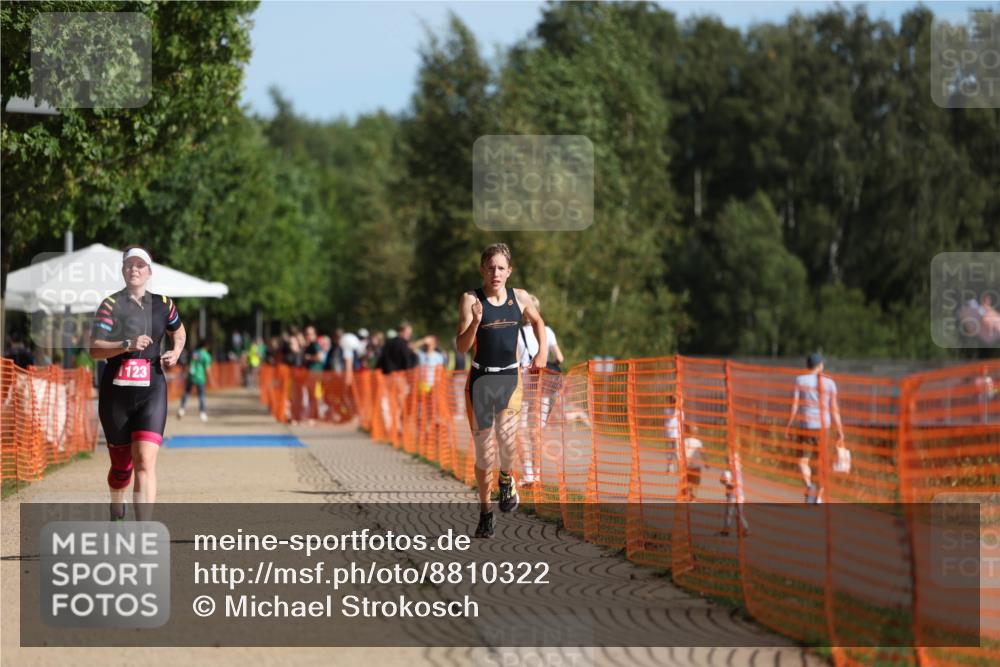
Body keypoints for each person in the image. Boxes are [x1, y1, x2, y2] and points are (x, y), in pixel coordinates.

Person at [457, 243, 547, 538]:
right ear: (482, 269)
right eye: (490, 267)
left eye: (500, 267)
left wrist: (541, 353)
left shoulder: (519, 298)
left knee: (507, 442)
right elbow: (461, 347)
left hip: (510, 378)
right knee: (484, 456)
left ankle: (507, 479)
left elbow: (538, 321)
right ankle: (485, 513)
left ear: (509, 271)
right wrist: (476, 322)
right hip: (481, 381)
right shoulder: (471, 299)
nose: (495, 273)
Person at [89, 246, 184, 521]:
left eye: (140, 265)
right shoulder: (110, 304)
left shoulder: (164, 304)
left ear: (149, 272)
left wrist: (176, 352)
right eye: (129, 265)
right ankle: (116, 503)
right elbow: (94, 349)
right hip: (116, 394)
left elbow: (179, 331)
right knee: (121, 468)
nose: (134, 269)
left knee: (145, 461)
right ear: (122, 270)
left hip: (152, 391)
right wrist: (126, 345)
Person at [516, 293, 565, 485]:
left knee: (520, 428)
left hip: (524, 383)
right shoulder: (547, 331)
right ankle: (537, 473)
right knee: (536, 430)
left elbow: (516, 361)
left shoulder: (517, 332)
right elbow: (559, 358)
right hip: (543, 385)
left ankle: (528, 473)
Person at [784, 352, 844, 504]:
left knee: (802, 461)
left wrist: (789, 424)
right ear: (820, 365)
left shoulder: (800, 380)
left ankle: (809, 486)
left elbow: (795, 405)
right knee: (822, 462)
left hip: (806, 426)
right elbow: (834, 408)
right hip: (824, 426)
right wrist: (840, 430)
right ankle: (819, 496)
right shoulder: (830, 383)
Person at [178, 339, 211, 422]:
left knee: (186, 393)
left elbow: (189, 363)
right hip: (200, 377)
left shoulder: (195, 352)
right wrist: (210, 379)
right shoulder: (206, 355)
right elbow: (207, 369)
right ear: (206, 346)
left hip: (191, 376)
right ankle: (202, 413)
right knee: (201, 395)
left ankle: (181, 410)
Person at [718, 452, 750, 537]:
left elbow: (735, 484)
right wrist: (725, 481)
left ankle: (745, 529)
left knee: (737, 513)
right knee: (731, 513)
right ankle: (727, 529)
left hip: (737, 496)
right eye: (728, 461)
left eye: (733, 461)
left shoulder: (736, 471)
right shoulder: (728, 472)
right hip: (733, 496)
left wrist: (729, 483)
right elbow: (722, 481)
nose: (730, 463)